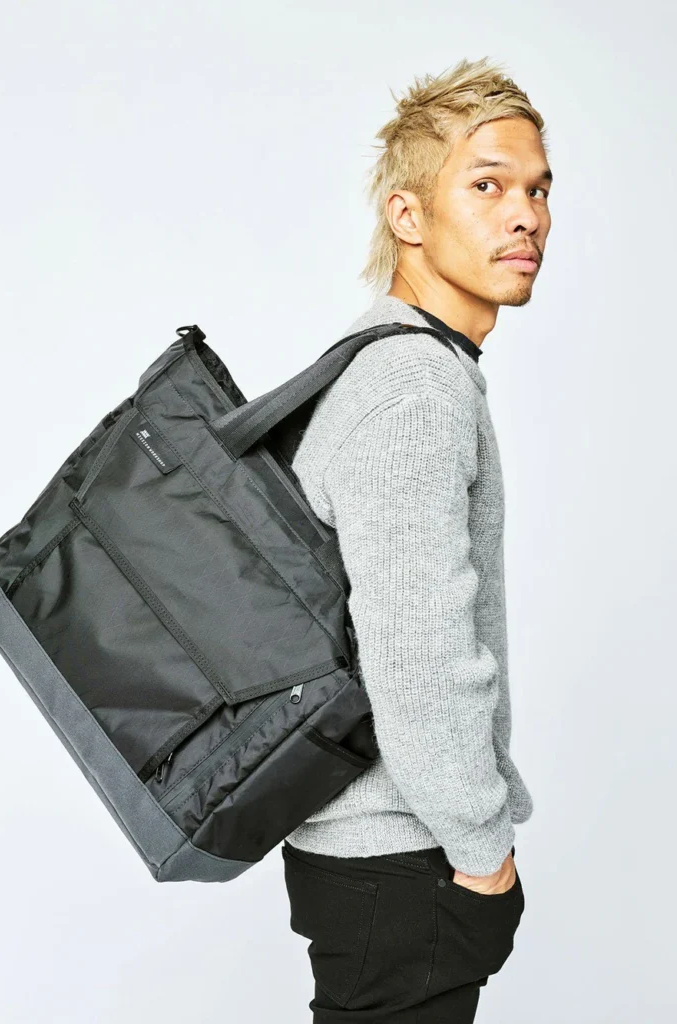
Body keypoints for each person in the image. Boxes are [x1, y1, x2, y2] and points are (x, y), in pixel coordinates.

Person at [281, 56, 551, 1022]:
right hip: (403, 860)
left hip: (379, 858)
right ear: (408, 216)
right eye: (487, 186)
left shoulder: (406, 365)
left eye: (537, 190)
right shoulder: (414, 389)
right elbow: (419, 655)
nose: (524, 216)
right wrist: (485, 854)